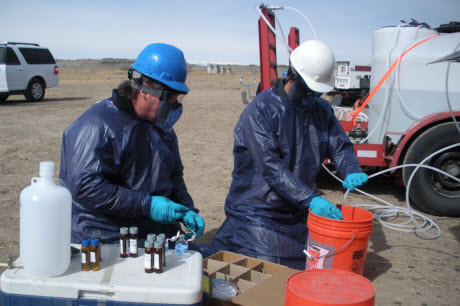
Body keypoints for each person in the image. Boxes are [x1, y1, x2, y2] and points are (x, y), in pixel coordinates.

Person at [213, 40, 367, 269]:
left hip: (298, 210)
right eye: (306, 90)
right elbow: (271, 167)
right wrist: (310, 198)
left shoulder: (320, 109)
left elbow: (339, 145)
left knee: (323, 258)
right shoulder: (260, 110)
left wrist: (351, 168)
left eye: (316, 93)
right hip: (259, 210)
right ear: (292, 76)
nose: (310, 97)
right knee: (273, 268)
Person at [59, 43, 205, 244]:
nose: (174, 105)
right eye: (169, 99)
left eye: (178, 98)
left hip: (154, 235)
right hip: (108, 238)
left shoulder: (162, 127)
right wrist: (146, 205)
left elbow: (173, 175)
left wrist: (186, 209)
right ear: (145, 90)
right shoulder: (97, 126)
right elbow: (86, 187)